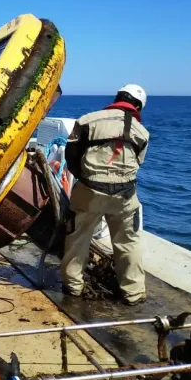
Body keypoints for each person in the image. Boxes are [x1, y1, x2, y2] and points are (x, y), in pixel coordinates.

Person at [61, 84, 150, 306]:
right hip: (125, 194)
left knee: (78, 237)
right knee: (128, 241)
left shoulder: (87, 121)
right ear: (138, 107)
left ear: (117, 98)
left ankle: (73, 286)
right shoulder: (142, 132)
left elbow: (71, 155)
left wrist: (85, 179)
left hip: (89, 190)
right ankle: (134, 292)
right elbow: (138, 162)